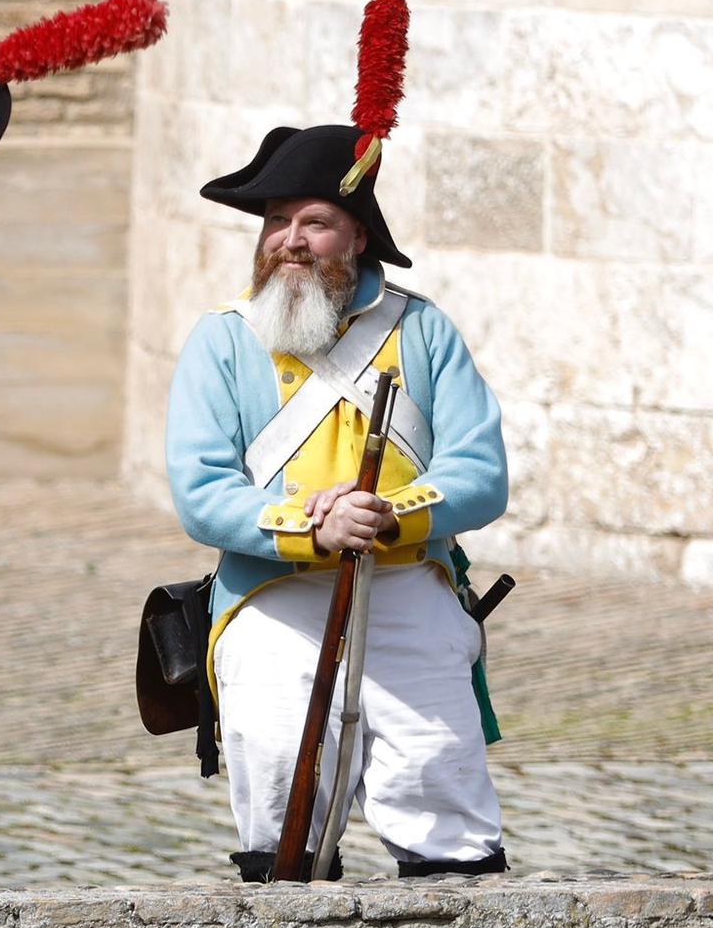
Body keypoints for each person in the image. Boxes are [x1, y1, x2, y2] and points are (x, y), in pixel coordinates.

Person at [165, 119, 510, 881]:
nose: (289, 239)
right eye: (276, 221)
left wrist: (389, 515)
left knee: (439, 787)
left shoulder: (422, 331)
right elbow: (200, 492)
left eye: (314, 222)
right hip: (273, 591)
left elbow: (481, 473)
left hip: (407, 580)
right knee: (284, 809)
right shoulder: (221, 341)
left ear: (357, 237)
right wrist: (311, 526)